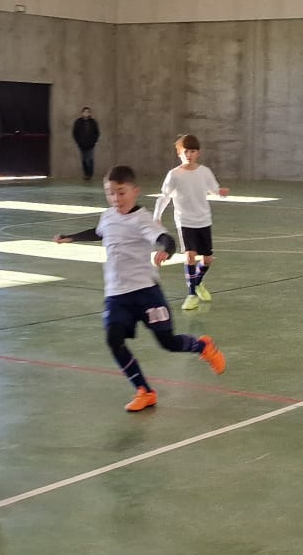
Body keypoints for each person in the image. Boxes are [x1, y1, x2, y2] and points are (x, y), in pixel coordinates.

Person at [54, 165, 227, 412]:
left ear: (135, 192)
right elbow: (99, 232)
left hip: (146, 292)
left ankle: (203, 347)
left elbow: (164, 238)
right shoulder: (108, 216)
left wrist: (165, 250)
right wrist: (70, 237)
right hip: (116, 294)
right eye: (110, 193)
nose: (116, 198)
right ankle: (144, 391)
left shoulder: (141, 219)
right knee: (113, 340)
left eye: (121, 192)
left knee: (167, 342)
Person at [153, 134, 230, 312]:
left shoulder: (204, 172)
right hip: (185, 220)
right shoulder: (174, 175)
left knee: (208, 259)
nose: (189, 154)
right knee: (189, 255)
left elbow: (213, 188)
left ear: (198, 153)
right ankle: (191, 294)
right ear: (180, 153)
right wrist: (157, 216)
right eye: (186, 151)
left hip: (203, 220)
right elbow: (164, 197)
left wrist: (220, 192)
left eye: (192, 151)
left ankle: (198, 283)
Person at [72, 106, 101, 181]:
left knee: (90, 159)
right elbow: (75, 133)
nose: (86, 113)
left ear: (90, 113)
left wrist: (94, 141)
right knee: (84, 160)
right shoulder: (78, 122)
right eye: (85, 112)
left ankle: (90, 174)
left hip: (91, 144)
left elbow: (97, 133)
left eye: (88, 112)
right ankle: (86, 174)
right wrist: (78, 141)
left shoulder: (93, 122)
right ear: (82, 113)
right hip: (81, 145)